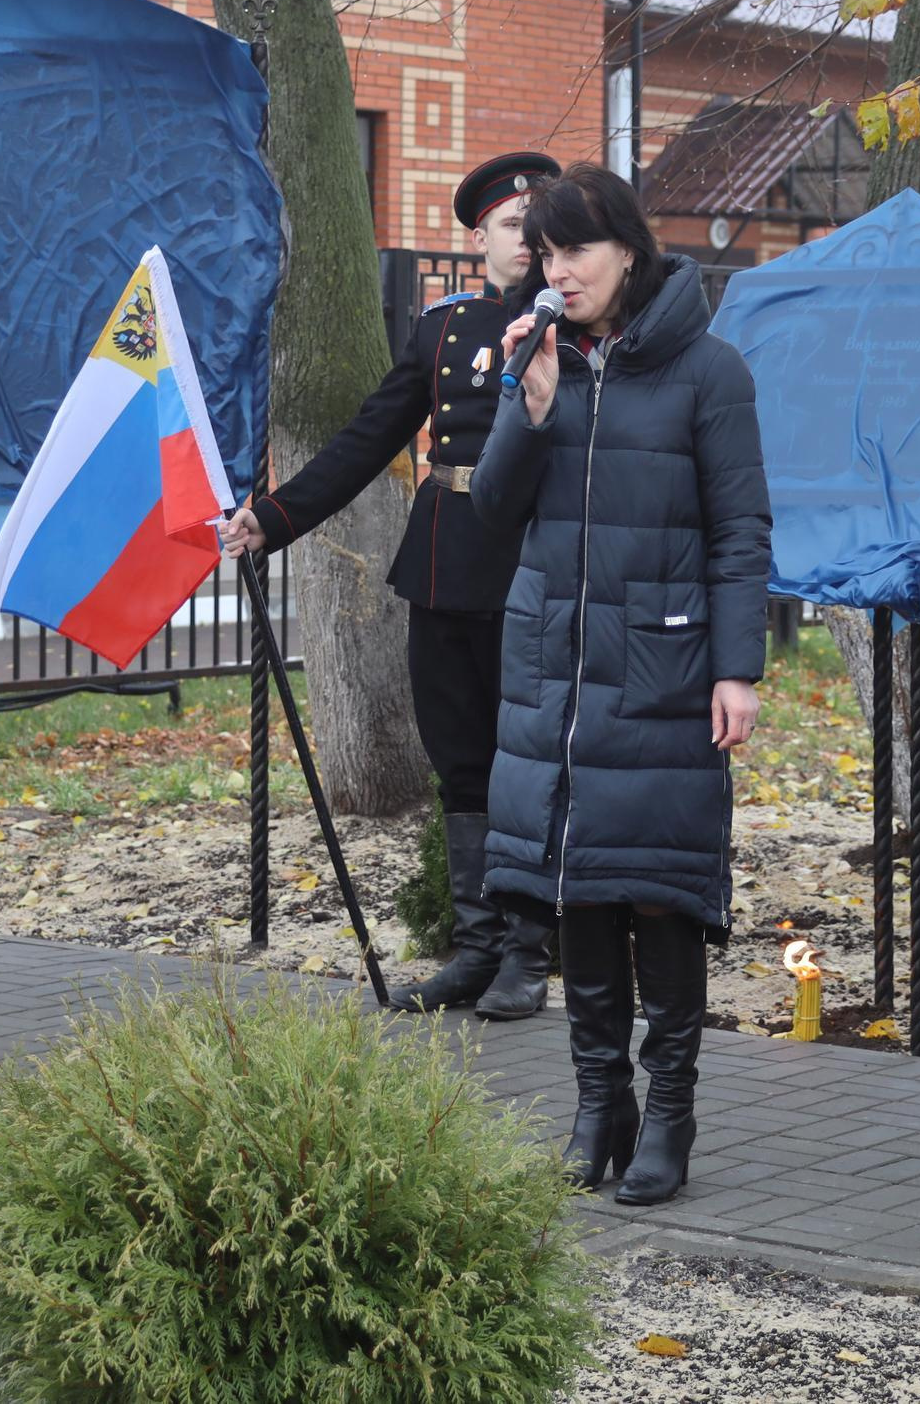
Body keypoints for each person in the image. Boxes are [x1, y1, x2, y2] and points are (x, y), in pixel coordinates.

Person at [470, 163, 770, 1207]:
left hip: (665, 668)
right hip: (557, 667)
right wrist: (529, 405)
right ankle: (598, 1104)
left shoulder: (708, 370)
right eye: (544, 253)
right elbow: (492, 511)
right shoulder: (544, 361)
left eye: (576, 250)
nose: (558, 270)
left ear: (629, 251)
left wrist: (738, 667)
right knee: (577, 888)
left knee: (660, 891)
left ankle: (670, 1110)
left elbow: (740, 532)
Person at [218, 150, 561, 1020]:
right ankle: (477, 947)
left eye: (543, 224)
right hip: (444, 564)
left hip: (533, 568)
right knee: (462, 767)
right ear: (480, 233)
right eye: (514, 225)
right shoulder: (442, 328)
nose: (530, 240)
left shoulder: (577, 327)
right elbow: (370, 436)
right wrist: (276, 515)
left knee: (528, 769)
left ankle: (530, 949)